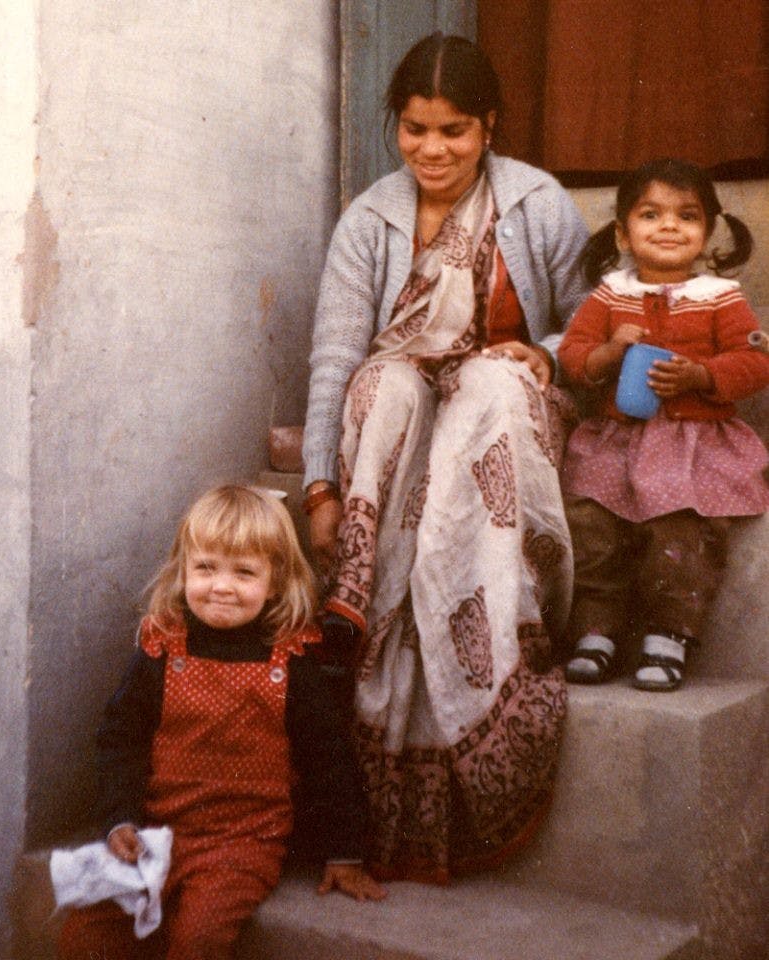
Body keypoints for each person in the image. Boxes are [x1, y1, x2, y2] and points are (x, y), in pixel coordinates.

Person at [302, 33, 590, 883]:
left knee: (492, 384)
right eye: (416, 130)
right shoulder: (370, 218)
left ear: (489, 126)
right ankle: (358, 592)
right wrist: (321, 484)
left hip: (502, 406)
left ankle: (501, 623)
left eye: (454, 131)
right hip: (401, 412)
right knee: (385, 379)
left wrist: (548, 351)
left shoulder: (537, 202)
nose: (432, 150)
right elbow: (334, 356)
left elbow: (591, 323)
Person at [58, 484, 385, 960]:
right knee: (87, 933)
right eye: (206, 567)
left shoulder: (289, 658)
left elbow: (328, 757)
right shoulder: (162, 647)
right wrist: (119, 822)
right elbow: (120, 741)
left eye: (244, 572)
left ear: (274, 581)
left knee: (201, 939)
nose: (222, 586)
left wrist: (344, 851)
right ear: (184, 569)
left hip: (243, 843)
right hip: (158, 833)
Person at [559, 158, 769, 692]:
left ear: (708, 233)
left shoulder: (721, 298)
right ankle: (595, 633)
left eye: (687, 215)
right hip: (618, 440)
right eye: (650, 214)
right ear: (623, 234)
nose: (669, 226)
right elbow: (573, 356)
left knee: (681, 526)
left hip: (691, 445)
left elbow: (755, 363)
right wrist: (610, 352)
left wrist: (702, 375)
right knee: (592, 524)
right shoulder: (609, 295)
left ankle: (668, 635)